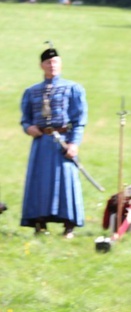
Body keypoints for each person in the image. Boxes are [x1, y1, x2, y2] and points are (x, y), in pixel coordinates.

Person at [20, 43, 88, 238]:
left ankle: (69, 226)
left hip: (63, 141)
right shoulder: (32, 91)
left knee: (66, 181)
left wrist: (74, 143)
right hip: (41, 142)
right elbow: (26, 119)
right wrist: (29, 128)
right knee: (40, 181)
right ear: (42, 65)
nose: (52, 65)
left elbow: (79, 120)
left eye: (56, 61)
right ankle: (39, 224)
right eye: (48, 62)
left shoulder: (73, 89)